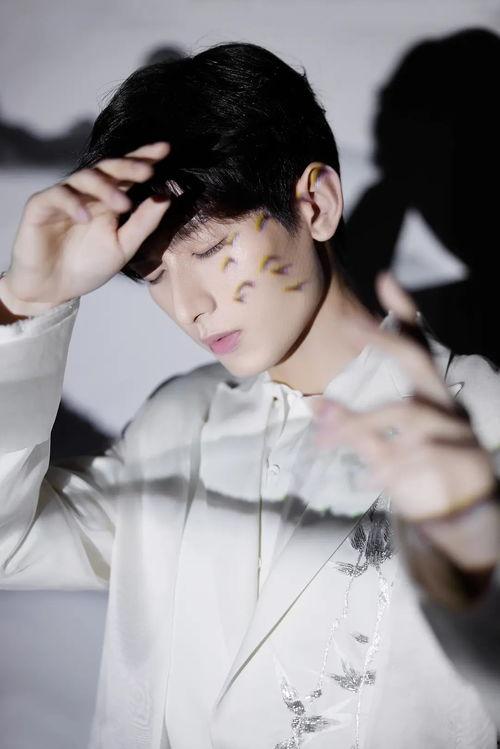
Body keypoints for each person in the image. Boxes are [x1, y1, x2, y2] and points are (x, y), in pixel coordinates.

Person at [0, 42, 499, 749]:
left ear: (317, 204)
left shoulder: (482, 419)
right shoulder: (176, 425)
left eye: (212, 251)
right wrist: (25, 301)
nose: (190, 305)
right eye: (155, 275)